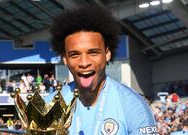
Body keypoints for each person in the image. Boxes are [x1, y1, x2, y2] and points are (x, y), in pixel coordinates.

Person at [48, 5, 157, 135]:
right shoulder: (50, 105)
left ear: (107, 54)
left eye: (93, 53)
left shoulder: (134, 106)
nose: (84, 63)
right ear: (65, 59)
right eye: (74, 55)